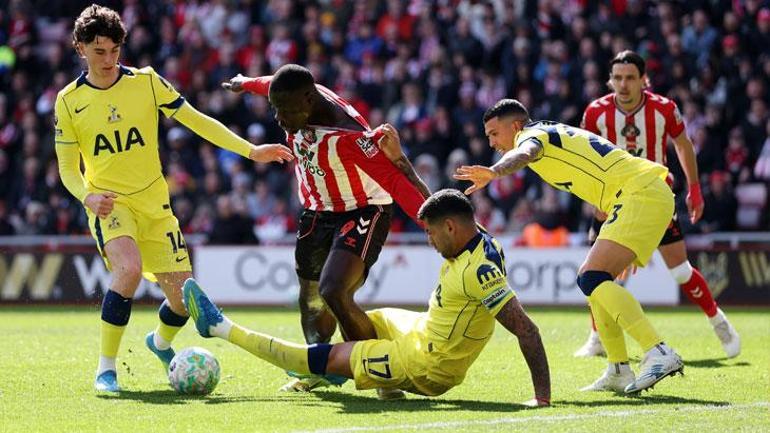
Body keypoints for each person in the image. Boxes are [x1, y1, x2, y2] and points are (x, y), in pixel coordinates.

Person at [54, 5, 293, 393]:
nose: (108, 60)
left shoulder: (147, 82)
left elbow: (196, 120)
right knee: (127, 270)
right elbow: (66, 168)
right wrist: (88, 196)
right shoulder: (68, 101)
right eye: (99, 51)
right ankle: (106, 369)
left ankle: (159, 343)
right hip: (112, 205)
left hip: (155, 204)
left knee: (183, 300)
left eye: (114, 50)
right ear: (80, 48)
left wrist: (251, 151)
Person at [183, 189, 551, 406]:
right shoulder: (479, 235)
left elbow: (526, 329)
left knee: (321, 355)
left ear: (451, 227)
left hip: (429, 365)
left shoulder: (478, 271)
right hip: (421, 330)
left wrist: (542, 399)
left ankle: (221, 328)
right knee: (363, 316)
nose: (428, 240)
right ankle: (351, 376)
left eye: (429, 233)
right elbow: (441, 203)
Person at [222, 65, 430, 397]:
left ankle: (382, 376)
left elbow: (394, 181)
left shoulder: (348, 135)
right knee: (311, 297)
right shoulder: (299, 95)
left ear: (309, 99)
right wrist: (245, 83)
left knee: (334, 290)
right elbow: (270, 85)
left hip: (364, 208)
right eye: (277, 109)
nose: (280, 119)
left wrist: (432, 222)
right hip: (317, 210)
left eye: (286, 111)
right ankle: (319, 367)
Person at [455, 99, 683, 394]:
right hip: (638, 194)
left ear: (515, 126)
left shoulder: (529, 136)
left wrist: (496, 172)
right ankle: (618, 368)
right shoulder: (550, 130)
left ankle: (658, 351)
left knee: (592, 277)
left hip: (638, 194)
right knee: (592, 277)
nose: (492, 142)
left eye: (494, 133)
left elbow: (527, 152)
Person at [576, 50, 739, 359]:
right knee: (596, 273)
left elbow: (683, 144)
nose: (623, 85)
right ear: (610, 80)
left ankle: (718, 320)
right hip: (611, 201)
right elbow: (586, 158)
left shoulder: (664, 109)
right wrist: (592, 197)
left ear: (643, 80)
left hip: (654, 200)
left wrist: (694, 189)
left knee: (679, 271)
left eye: (630, 78)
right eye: (618, 78)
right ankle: (597, 337)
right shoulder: (596, 113)